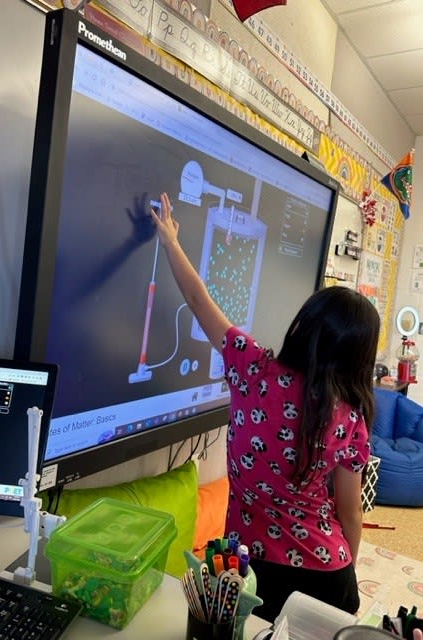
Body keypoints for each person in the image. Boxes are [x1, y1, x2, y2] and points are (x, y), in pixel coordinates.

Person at [151, 192, 380, 622]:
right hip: (327, 571)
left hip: (250, 569)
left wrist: (171, 242)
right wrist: (346, 569)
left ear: (303, 325)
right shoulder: (351, 417)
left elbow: (199, 301)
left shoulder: (252, 367)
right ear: (359, 357)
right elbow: (350, 511)